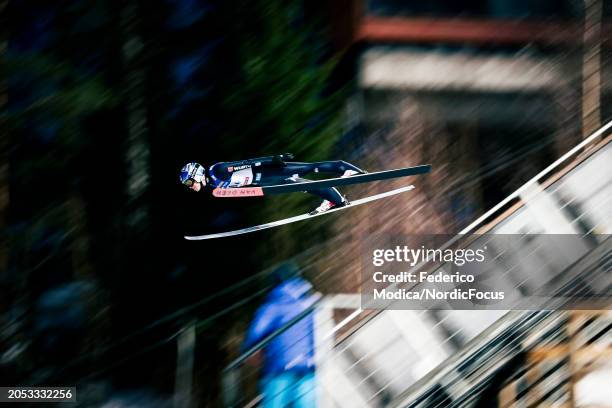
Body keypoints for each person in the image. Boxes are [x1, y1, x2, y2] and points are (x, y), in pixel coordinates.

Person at [179, 154, 366, 214]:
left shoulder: (217, 171)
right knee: (305, 186)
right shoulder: (213, 186)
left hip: (270, 171)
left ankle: (347, 170)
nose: (189, 186)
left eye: (189, 181)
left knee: (311, 168)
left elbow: (246, 164)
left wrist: (273, 160)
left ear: (196, 174)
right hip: (267, 180)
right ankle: (337, 201)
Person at [242, 263, 319, 408]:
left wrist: (256, 358)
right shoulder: (313, 303)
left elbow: (252, 344)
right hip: (308, 369)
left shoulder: (271, 306)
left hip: (278, 370)